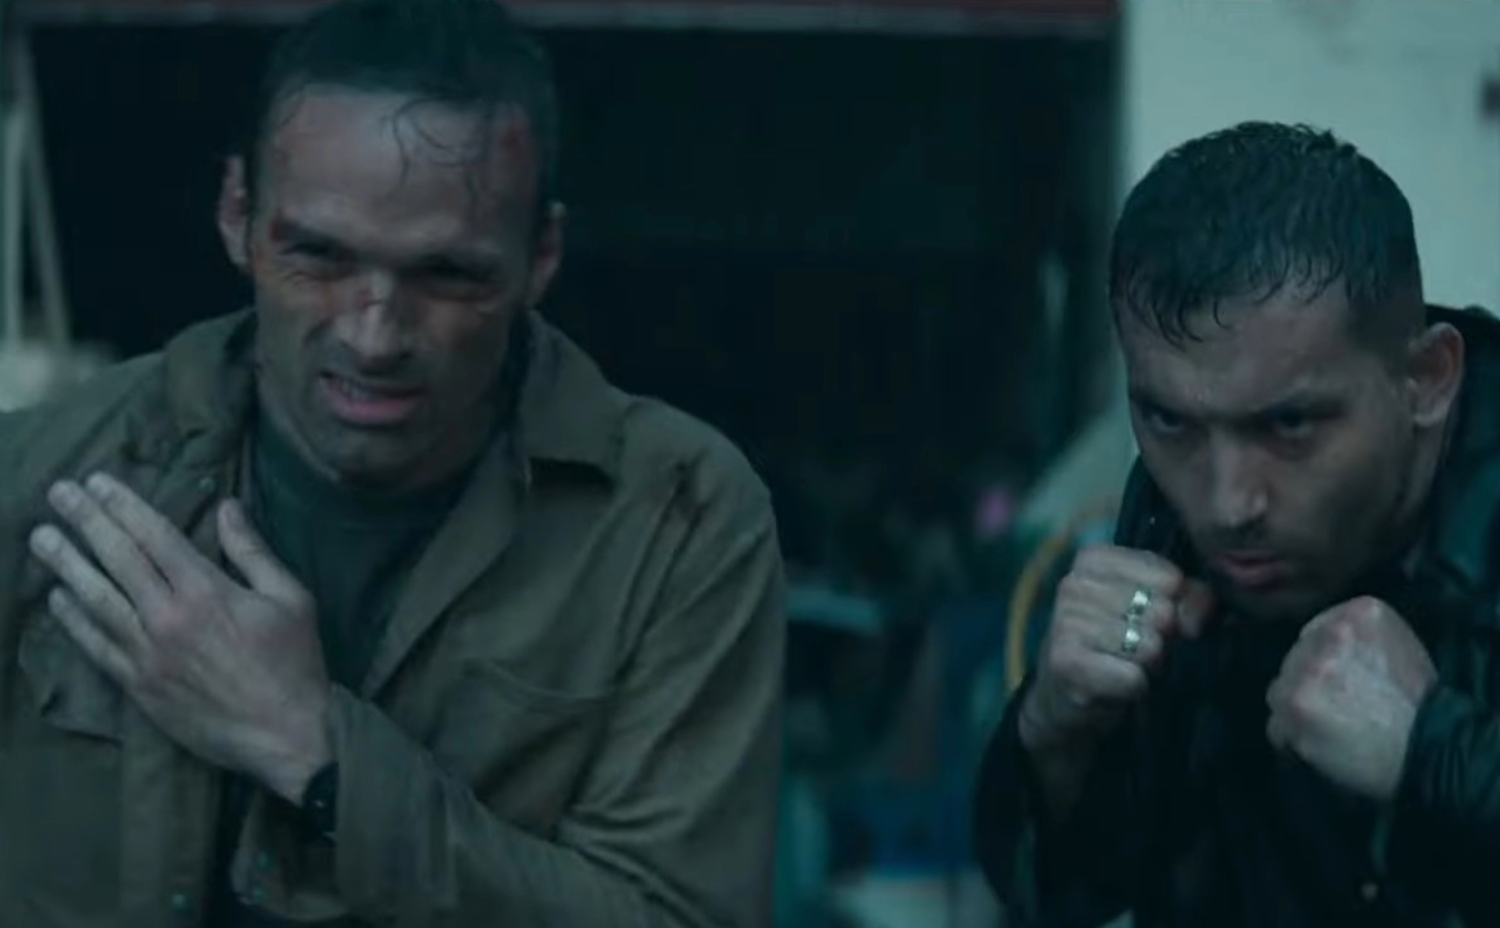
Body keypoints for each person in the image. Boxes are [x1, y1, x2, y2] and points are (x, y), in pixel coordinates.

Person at [0, 0, 785, 925]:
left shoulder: (676, 521)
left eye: (448, 274)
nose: (374, 337)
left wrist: (313, 752)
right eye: (320, 256)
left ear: (541, 256)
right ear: (237, 214)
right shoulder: (44, 470)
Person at [973, 121, 1500, 928]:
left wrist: (1437, 752)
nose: (1225, 504)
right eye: (1169, 420)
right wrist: (1055, 731)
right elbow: (1077, 891)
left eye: (1289, 425)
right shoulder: (1171, 502)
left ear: (1426, 379)